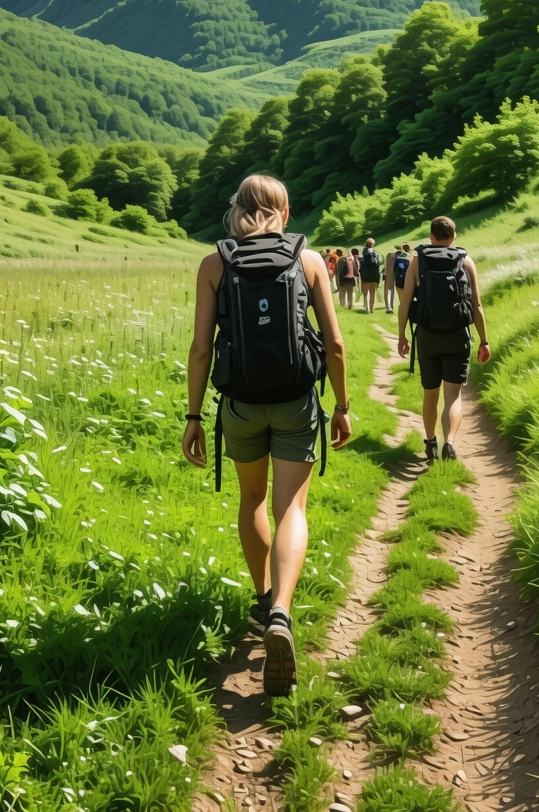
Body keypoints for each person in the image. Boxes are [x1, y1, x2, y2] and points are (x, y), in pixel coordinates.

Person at [183, 175, 352, 696]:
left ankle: (262, 599)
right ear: (285, 210)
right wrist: (342, 406)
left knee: (252, 498)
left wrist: (193, 417)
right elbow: (336, 343)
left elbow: (200, 349)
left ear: (236, 209)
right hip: (297, 399)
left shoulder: (215, 264)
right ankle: (282, 610)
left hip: (240, 403)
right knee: (292, 509)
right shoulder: (311, 260)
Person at [397, 216, 490, 463]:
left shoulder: (417, 260)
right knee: (453, 396)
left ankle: (431, 444)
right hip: (458, 334)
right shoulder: (465, 260)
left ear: (431, 236)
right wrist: (484, 340)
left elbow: (406, 301)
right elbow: (476, 305)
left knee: (430, 394)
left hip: (427, 334)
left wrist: (402, 335)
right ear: (453, 236)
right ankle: (449, 442)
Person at [359, 237, 382, 313]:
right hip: (374, 273)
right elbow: (378, 263)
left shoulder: (364, 252)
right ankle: (371, 308)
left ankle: (367, 307)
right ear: (372, 244)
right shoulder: (375, 252)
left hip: (365, 273)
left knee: (366, 292)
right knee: (372, 292)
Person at [383, 247, 397, 314]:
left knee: (389, 290)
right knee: (391, 290)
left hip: (389, 274)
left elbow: (386, 266)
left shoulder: (390, 255)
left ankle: (389, 307)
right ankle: (390, 306)